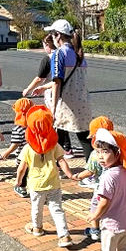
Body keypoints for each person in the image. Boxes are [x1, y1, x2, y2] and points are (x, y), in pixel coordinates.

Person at [31, 20, 92, 161]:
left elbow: (58, 81)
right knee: (85, 138)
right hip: (83, 100)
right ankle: (94, 172)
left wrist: (53, 108)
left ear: (58, 35)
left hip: (66, 103)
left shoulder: (59, 54)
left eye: (52, 34)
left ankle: (52, 168)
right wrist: (44, 87)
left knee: (56, 136)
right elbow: (70, 80)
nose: (52, 38)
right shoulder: (78, 54)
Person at [15, 105, 74, 247]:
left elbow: (22, 168)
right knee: (57, 209)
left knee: (36, 207)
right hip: (53, 183)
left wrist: (18, 181)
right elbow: (61, 161)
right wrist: (70, 174)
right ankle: (64, 235)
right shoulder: (54, 145)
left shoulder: (28, 148)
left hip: (36, 185)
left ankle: (37, 228)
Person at [22, 34, 73, 158]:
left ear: (47, 45)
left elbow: (40, 78)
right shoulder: (66, 54)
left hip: (52, 91)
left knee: (55, 119)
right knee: (62, 118)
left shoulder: (49, 58)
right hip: (68, 90)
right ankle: (67, 147)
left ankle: (62, 148)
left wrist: (28, 89)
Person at [71, 116, 114, 241]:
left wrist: (78, 176)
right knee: (113, 208)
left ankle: (95, 230)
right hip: (118, 187)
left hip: (101, 188)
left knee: (96, 206)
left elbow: (89, 171)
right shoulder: (120, 150)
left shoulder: (96, 155)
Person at [0, 98, 34, 198]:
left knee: (22, 172)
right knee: (33, 172)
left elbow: (15, 143)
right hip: (35, 153)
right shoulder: (34, 125)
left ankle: (22, 188)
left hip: (22, 155)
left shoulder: (18, 128)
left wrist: (7, 152)